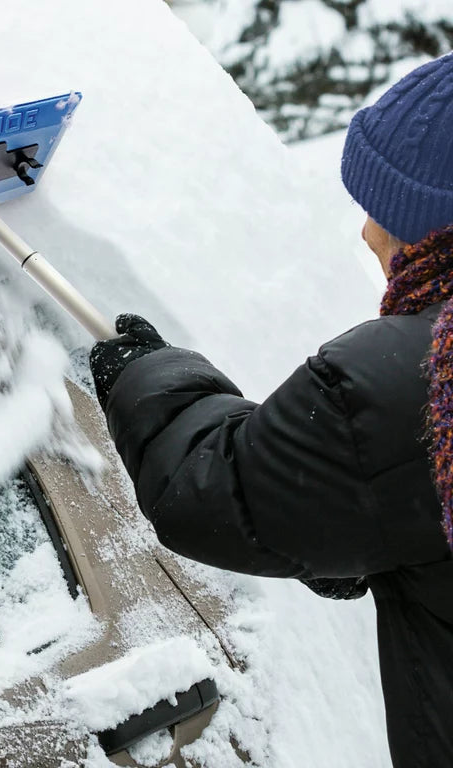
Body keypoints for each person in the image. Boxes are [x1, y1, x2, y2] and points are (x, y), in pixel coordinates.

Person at [89, 54, 453, 768]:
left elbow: (214, 493)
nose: (368, 235)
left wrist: (146, 375)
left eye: (388, 212)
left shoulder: (409, 383)